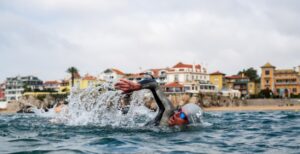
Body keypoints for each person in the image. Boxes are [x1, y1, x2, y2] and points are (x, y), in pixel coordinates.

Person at [115, 78, 202, 127]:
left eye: (182, 115)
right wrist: (137, 85)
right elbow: (154, 84)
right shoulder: (167, 112)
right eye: (179, 111)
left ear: (189, 123)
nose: (176, 115)